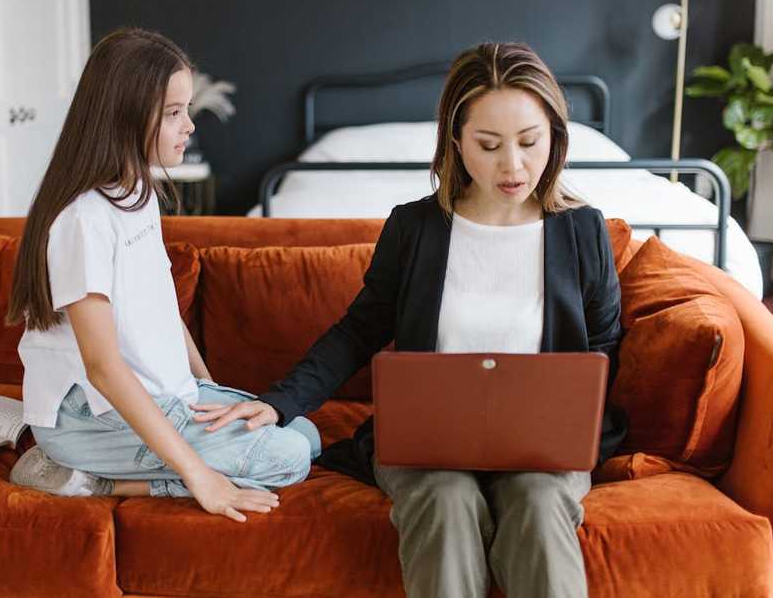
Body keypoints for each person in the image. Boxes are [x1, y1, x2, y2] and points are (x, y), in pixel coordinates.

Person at [191, 42, 628, 594]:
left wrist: (571, 421)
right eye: (489, 145)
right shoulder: (415, 228)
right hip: (427, 443)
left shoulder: (583, 230)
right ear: (456, 141)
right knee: (444, 499)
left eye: (529, 142)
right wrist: (282, 402)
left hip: (542, 448)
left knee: (540, 502)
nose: (513, 165)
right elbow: (360, 330)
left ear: (555, 138)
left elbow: (605, 343)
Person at [6, 27, 320, 523]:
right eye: (174, 114)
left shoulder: (139, 195)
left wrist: (207, 389)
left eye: (186, 109)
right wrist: (199, 476)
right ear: (124, 117)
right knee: (289, 457)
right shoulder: (84, 220)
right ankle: (91, 479)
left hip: (160, 392)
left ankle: (140, 460)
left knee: (306, 433)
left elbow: (161, 309)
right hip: (88, 419)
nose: (190, 126)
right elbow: (103, 367)